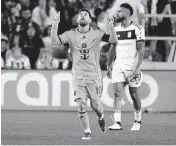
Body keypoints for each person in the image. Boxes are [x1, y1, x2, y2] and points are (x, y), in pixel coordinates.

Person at [51, 8, 117, 139]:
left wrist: (111, 25)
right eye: (80, 14)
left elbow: (113, 40)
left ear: (90, 20)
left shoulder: (97, 33)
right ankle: (87, 132)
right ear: (77, 20)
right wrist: (55, 25)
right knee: (81, 104)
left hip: (94, 76)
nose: (83, 16)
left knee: (96, 106)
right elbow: (55, 41)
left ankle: (101, 117)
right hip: (78, 75)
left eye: (86, 15)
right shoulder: (70, 34)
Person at [107, 3, 145, 131]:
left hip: (132, 64)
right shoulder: (116, 29)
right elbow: (112, 48)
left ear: (128, 13)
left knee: (134, 95)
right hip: (118, 64)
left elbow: (141, 50)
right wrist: (109, 65)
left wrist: (137, 68)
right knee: (117, 93)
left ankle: (137, 120)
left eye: (120, 12)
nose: (117, 14)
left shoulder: (138, 28)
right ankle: (117, 123)